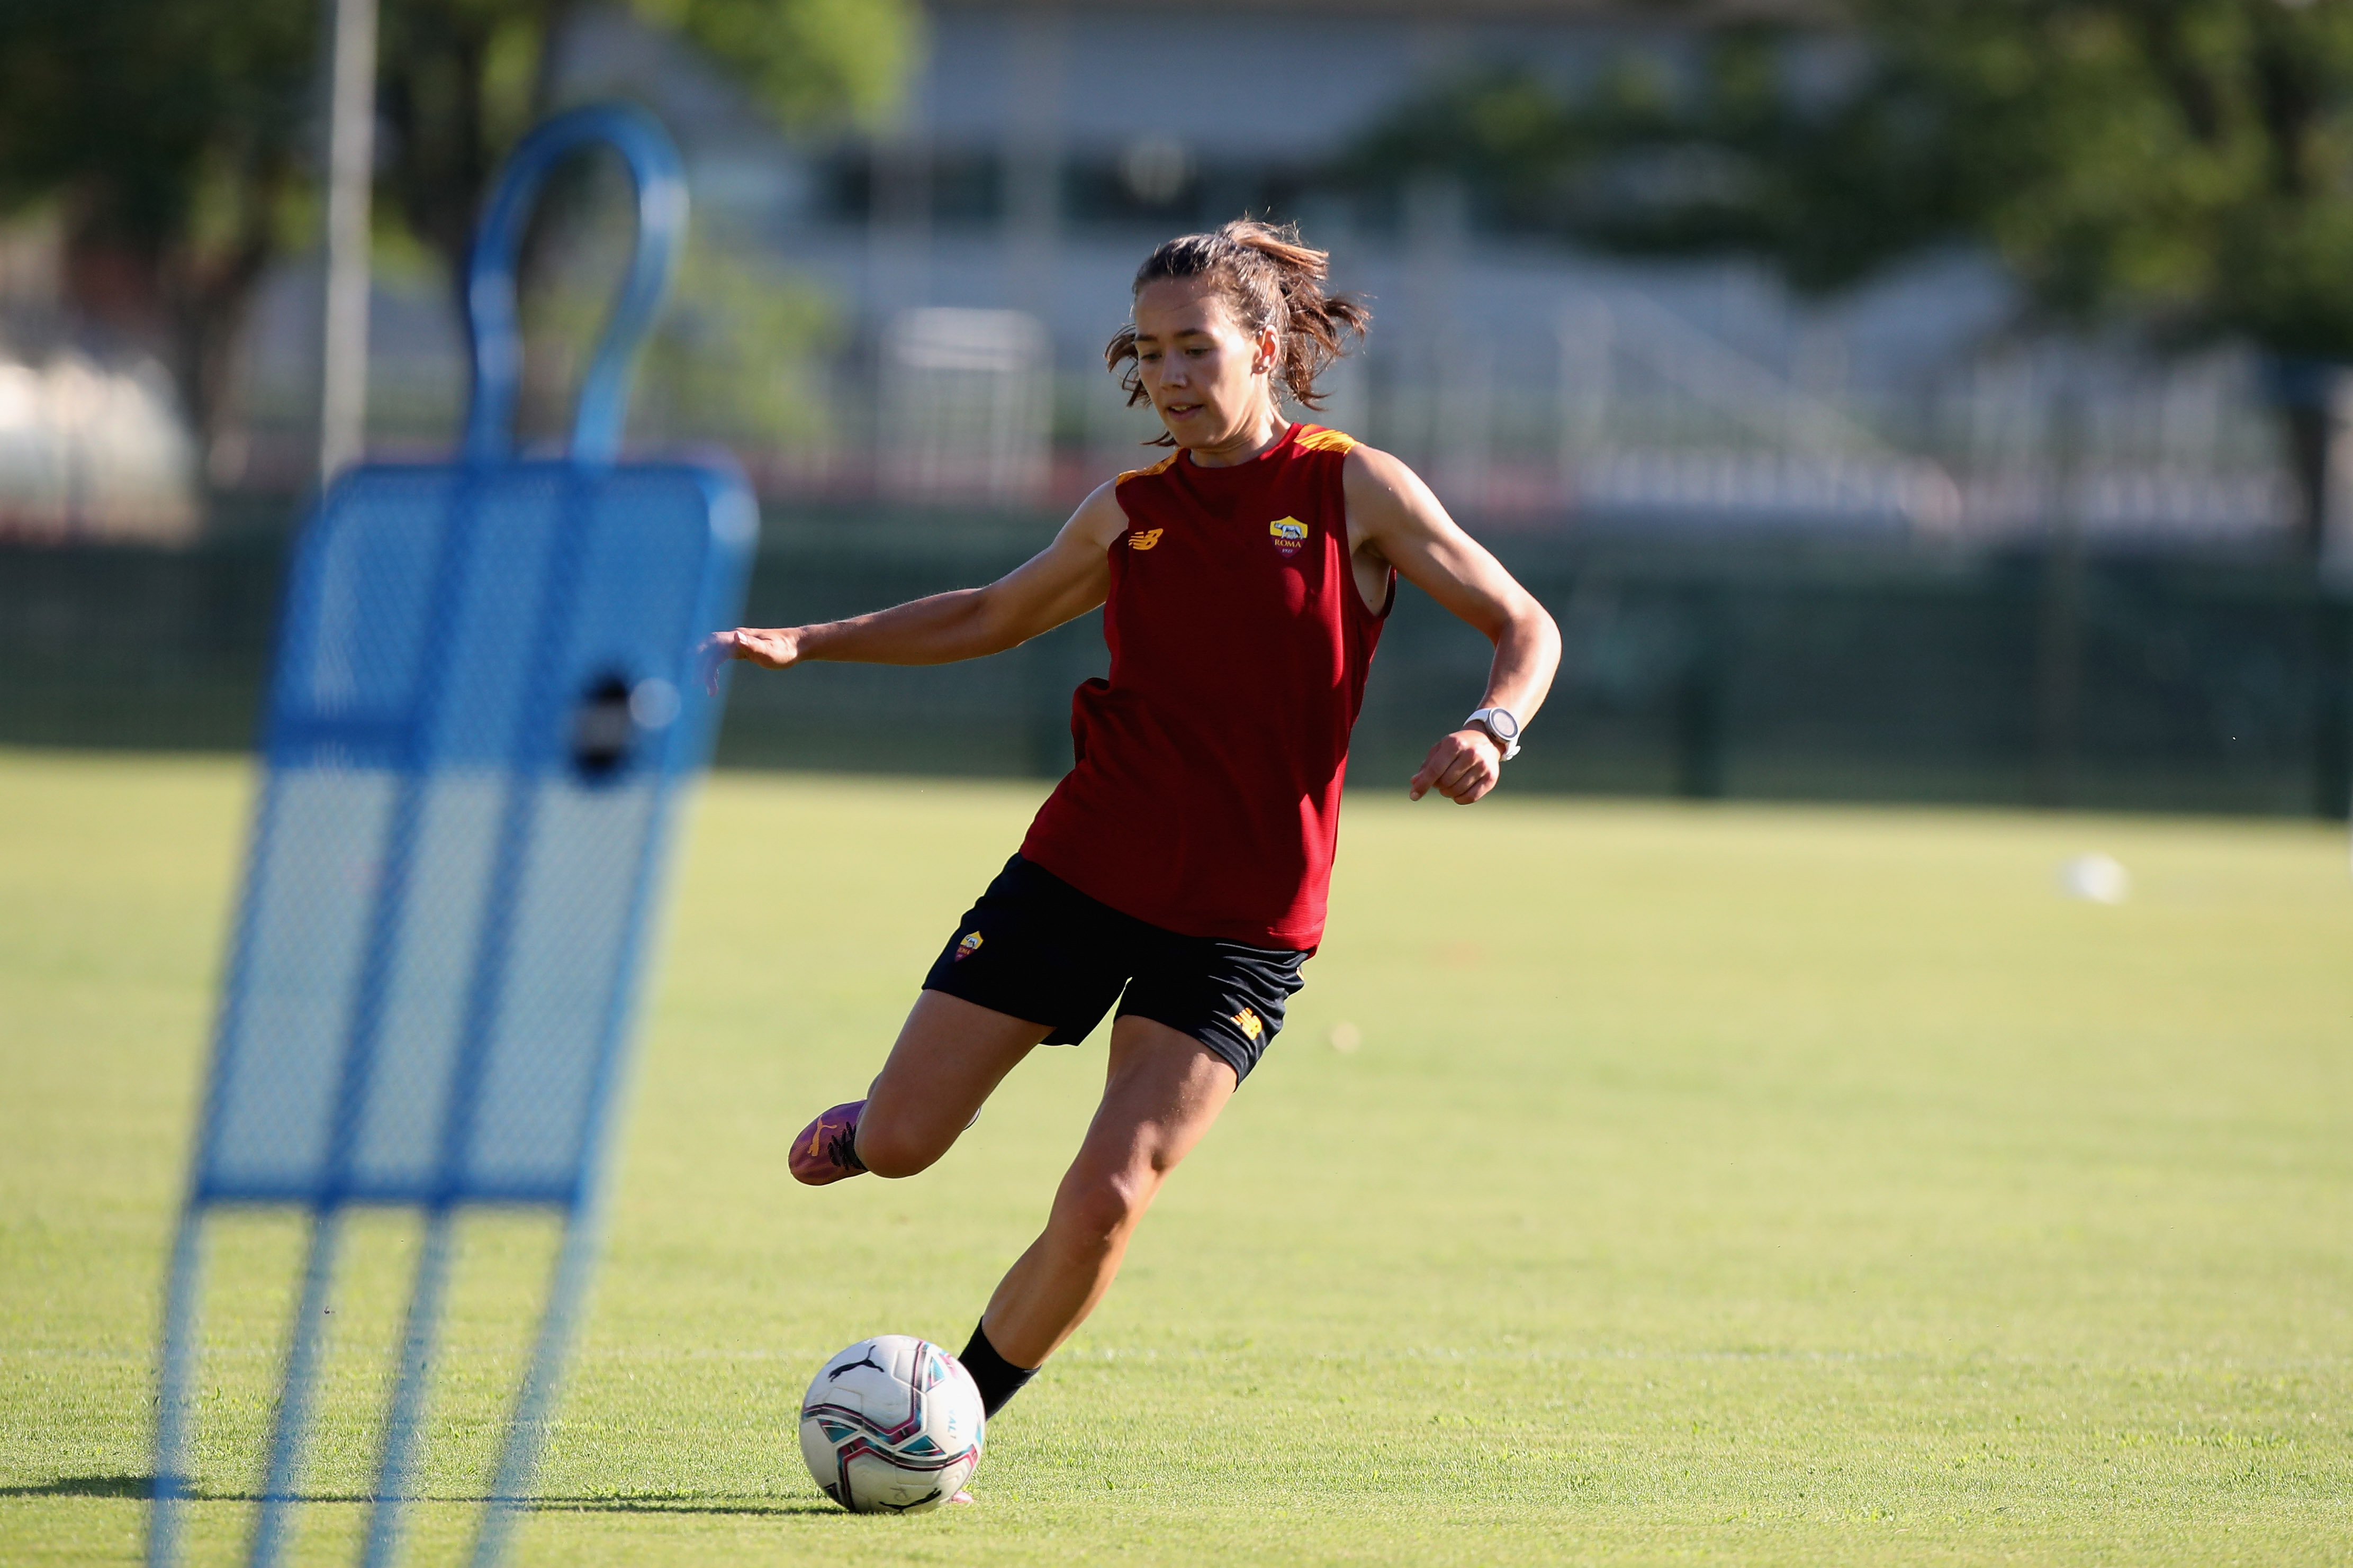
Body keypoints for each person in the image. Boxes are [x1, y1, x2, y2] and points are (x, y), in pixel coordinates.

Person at [705, 219, 1560, 1444]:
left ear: (1263, 348)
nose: (1169, 376)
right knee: (899, 1148)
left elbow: (1525, 622)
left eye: (1195, 349)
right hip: (1081, 873)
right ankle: (870, 1124)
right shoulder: (1131, 511)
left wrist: (1494, 726)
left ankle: (955, 1421)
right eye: (1148, 352)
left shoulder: (1348, 487)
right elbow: (992, 615)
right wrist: (810, 640)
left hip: (1245, 924)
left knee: (1108, 1197)